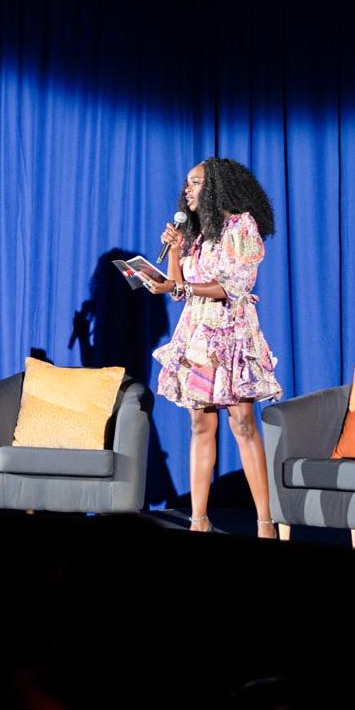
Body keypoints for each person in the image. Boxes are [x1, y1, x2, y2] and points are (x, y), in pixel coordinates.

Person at [144, 158, 282, 537]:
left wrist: (183, 288)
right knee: (200, 425)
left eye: (196, 182)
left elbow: (236, 285)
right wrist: (173, 250)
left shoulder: (241, 225)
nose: (188, 189)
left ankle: (265, 523)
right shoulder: (197, 233)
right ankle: (198, 520)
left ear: (218, 186)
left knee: (243, 424)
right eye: (186, 183)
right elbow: (177, 288)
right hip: (198, 336)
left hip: (232, 333)